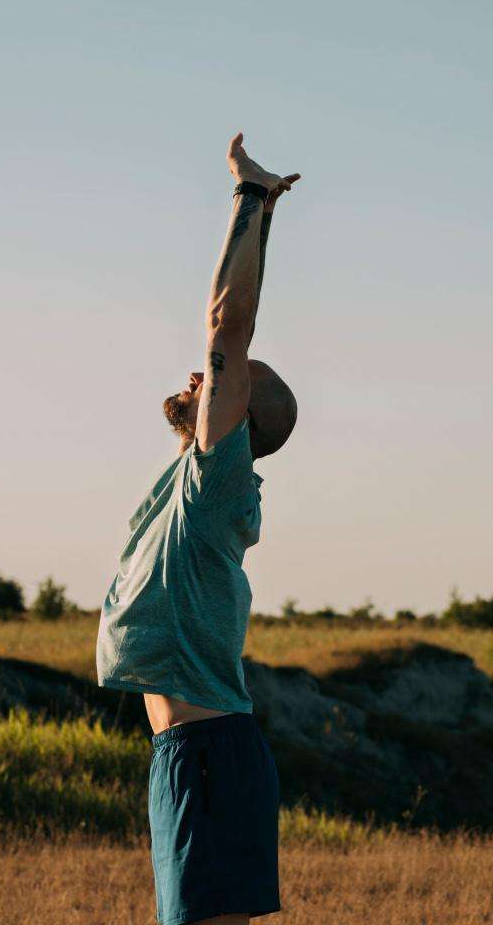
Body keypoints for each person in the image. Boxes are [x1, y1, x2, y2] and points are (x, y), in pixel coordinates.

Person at [96, 133, 301, 925]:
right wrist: (269, 214)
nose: (200, 373)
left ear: (239, 417)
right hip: (190, 758)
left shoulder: (215, 485)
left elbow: (226, 328)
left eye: (225, 382)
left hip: (207, 758)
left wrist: (248, 198)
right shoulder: (193, 486)